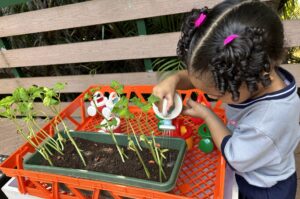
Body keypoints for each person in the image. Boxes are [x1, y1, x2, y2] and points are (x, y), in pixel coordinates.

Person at [152, 0, 300, 198]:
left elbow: (234, 156)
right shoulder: (258, 71)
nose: (209, 96)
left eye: (217, 93)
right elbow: (203, 77)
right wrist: (174, 79)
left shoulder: (266, 122)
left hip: (263, 187)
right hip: (257, 156)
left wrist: (207, 114)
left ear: (255, 74)